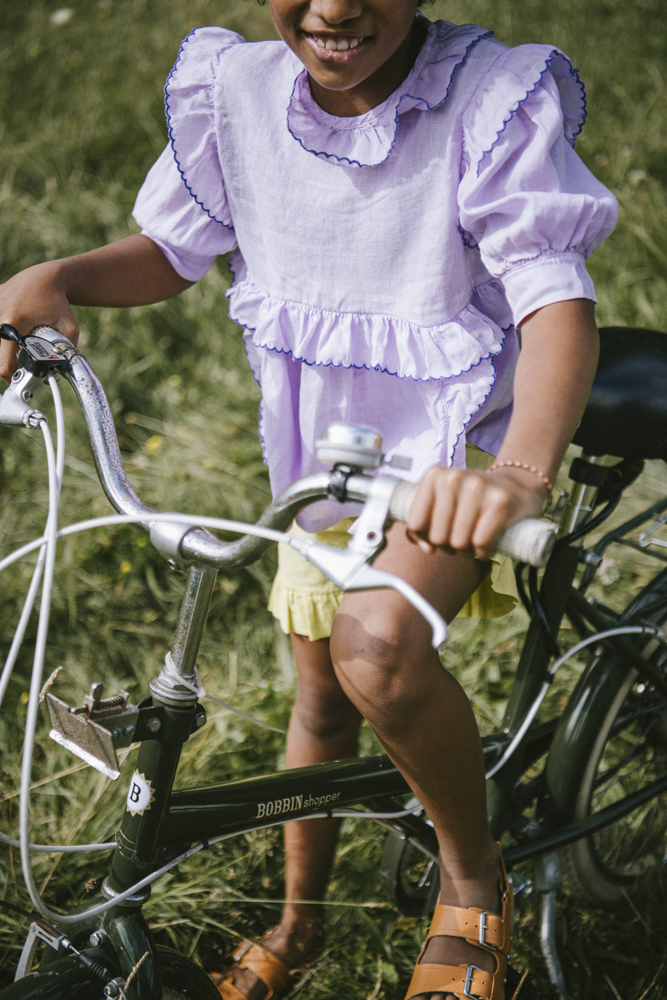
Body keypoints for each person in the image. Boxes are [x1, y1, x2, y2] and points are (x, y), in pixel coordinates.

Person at [0, 0, 617, 996]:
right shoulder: (236, 93)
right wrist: (61, 273)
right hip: (320, 467)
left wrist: (515, 475)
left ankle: (473, 875)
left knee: (374, 649)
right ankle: (301, 920)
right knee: (320, 697)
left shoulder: (490, 101)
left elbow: (554, 301)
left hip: (453, 455)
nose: (332, 7)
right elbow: (173, 251)